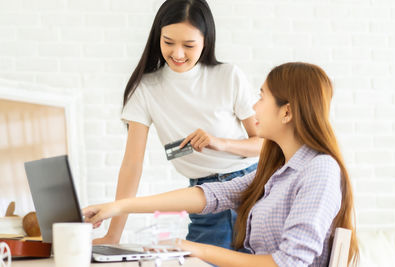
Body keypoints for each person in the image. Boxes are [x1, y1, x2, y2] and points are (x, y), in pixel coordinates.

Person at [84, 62, 360, 266]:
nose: (255, 107)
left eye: (262, 96)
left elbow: (289, 262)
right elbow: (212, 195)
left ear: (286, 111)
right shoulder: (276, 170)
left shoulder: (319, 171)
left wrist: (195, 249)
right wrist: (118, 206)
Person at [95, 0, 263, 251]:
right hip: (204, 196)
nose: (178, 54)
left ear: (206, 41)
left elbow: (264, 143)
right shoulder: (146, 89)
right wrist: (113, 235)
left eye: (189, 45)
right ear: (157, 38)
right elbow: (132, 165)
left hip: (253, 188)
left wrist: (219, 143)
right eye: (168, 42)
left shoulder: (228, 76)